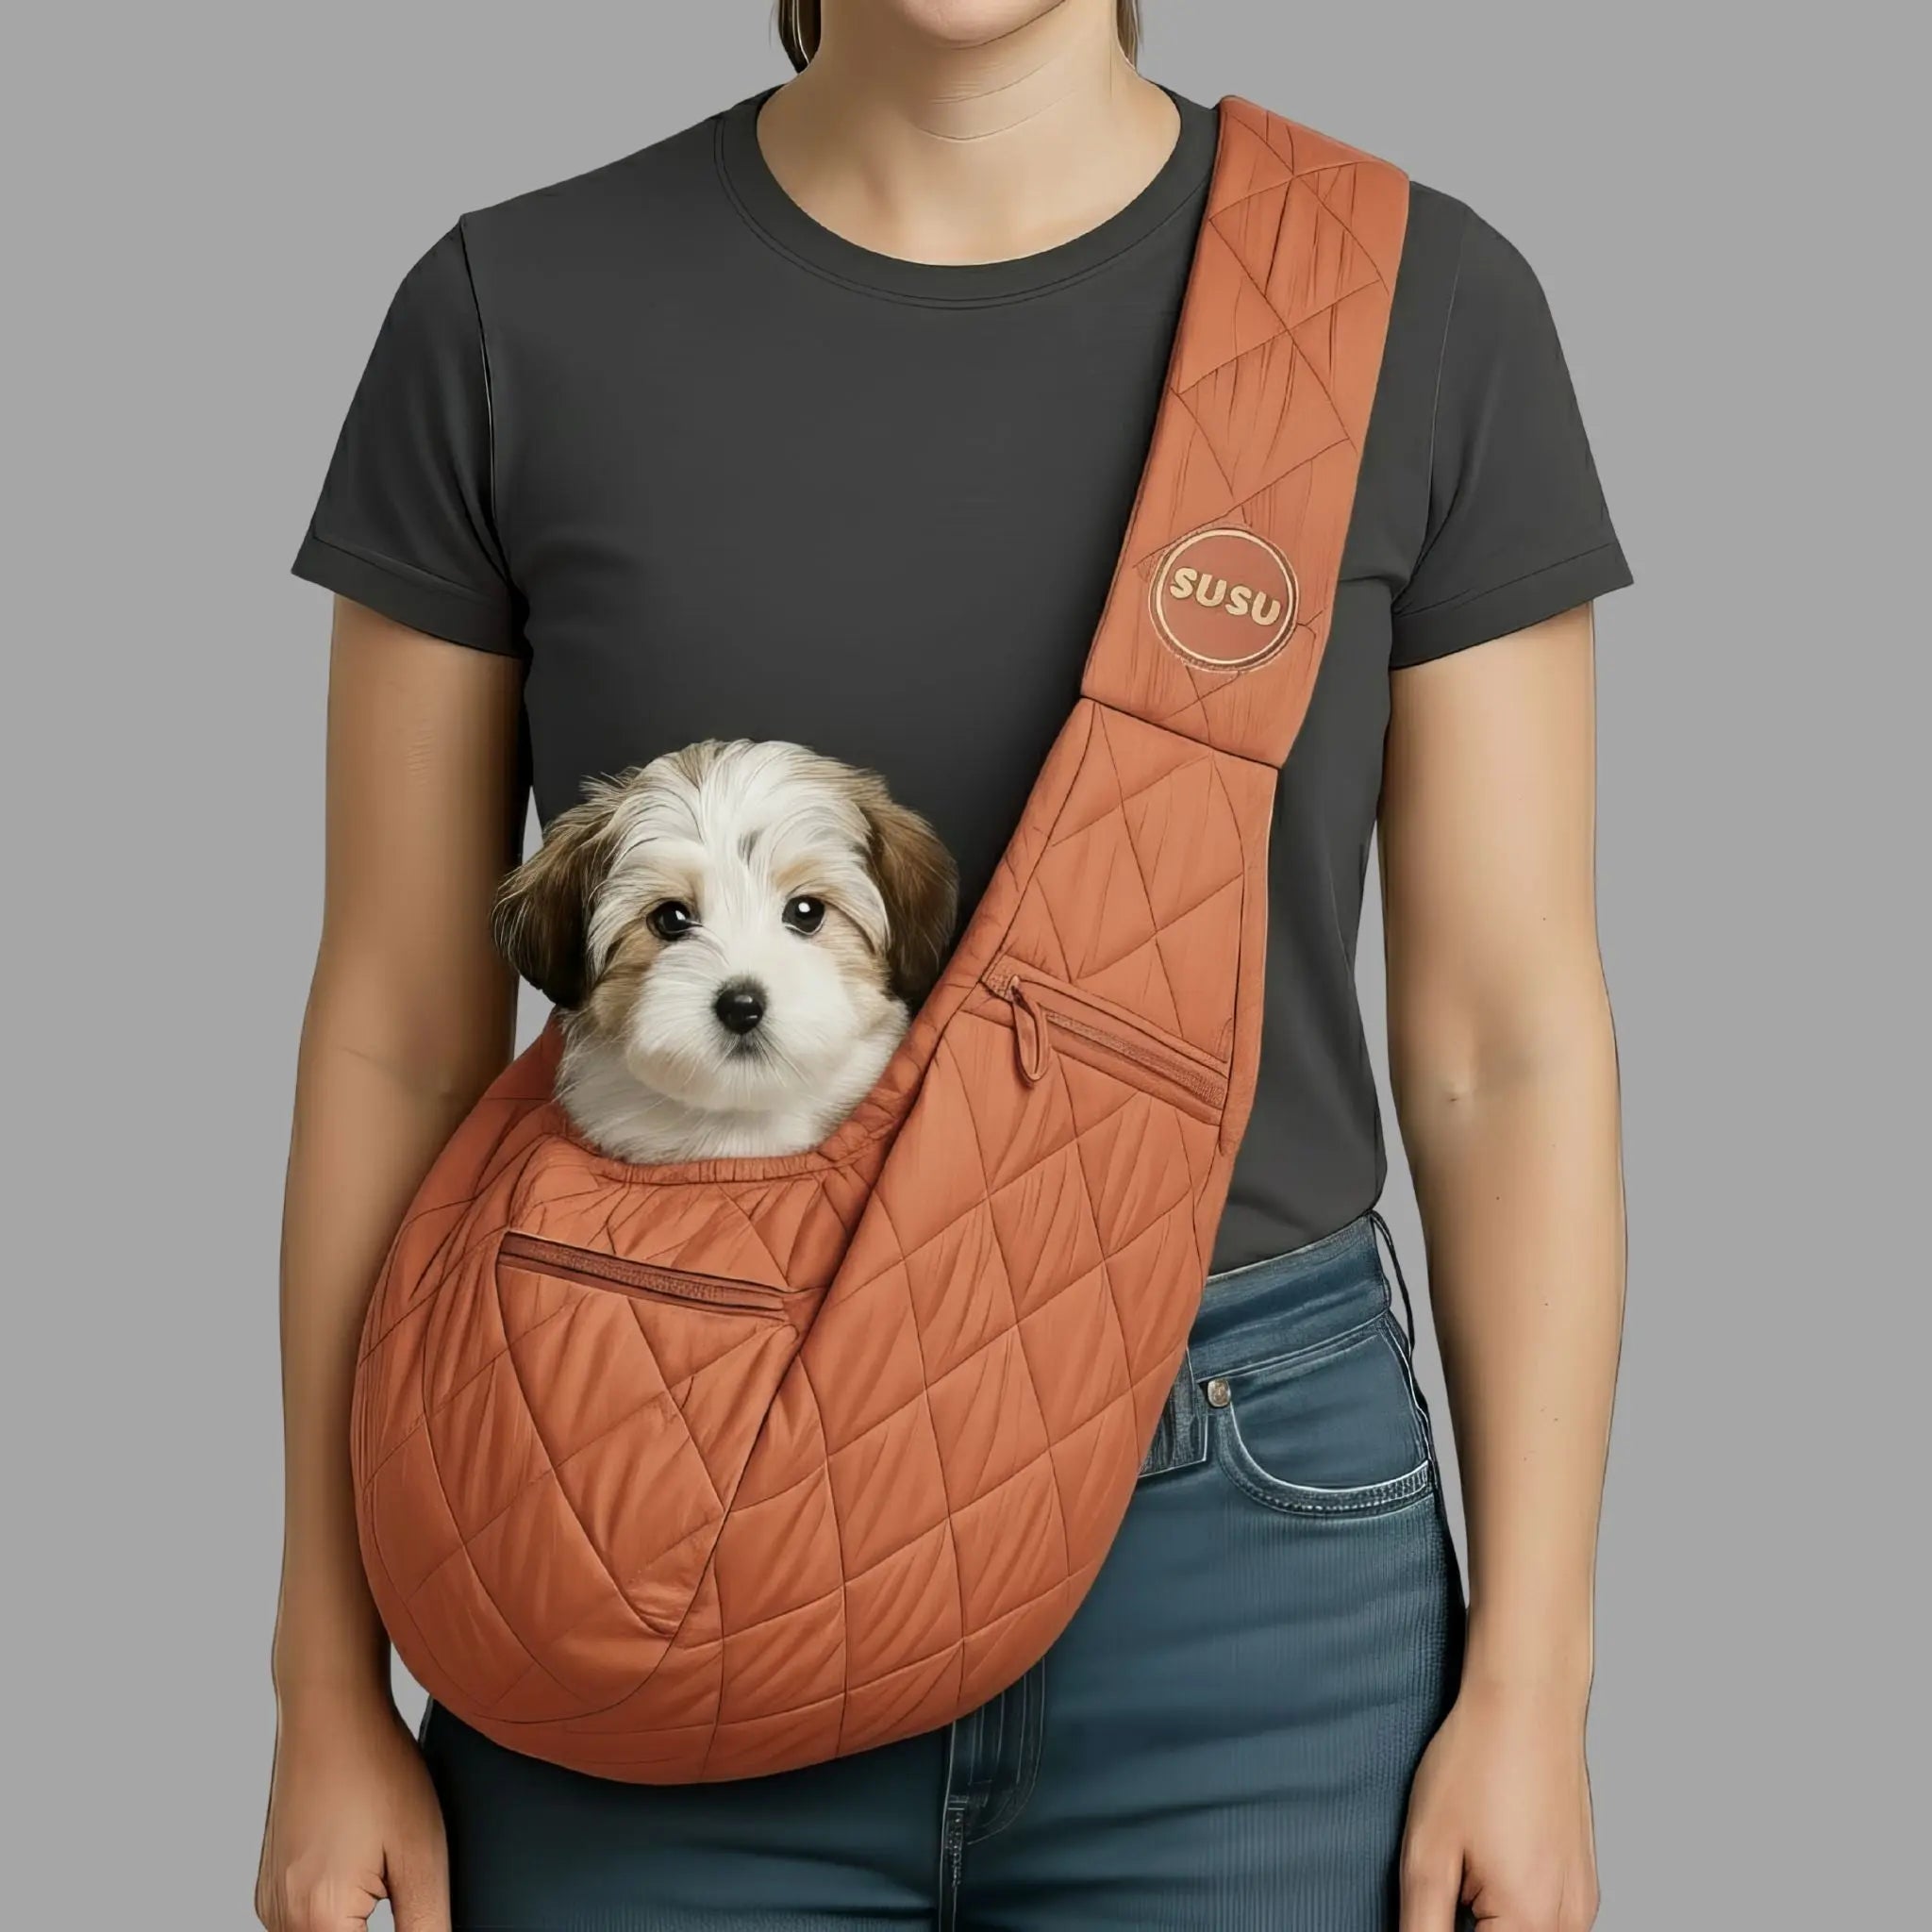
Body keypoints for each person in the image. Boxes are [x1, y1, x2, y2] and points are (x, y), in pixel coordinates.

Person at [256, 3, 1630, 1927]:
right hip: (638, 1508)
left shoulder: (1411, 304)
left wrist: (1535, 1690)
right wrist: (326, 1684)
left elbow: (1505, 1049)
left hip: (1238, 1572)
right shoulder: (508, 314)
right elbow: (398, 1041)